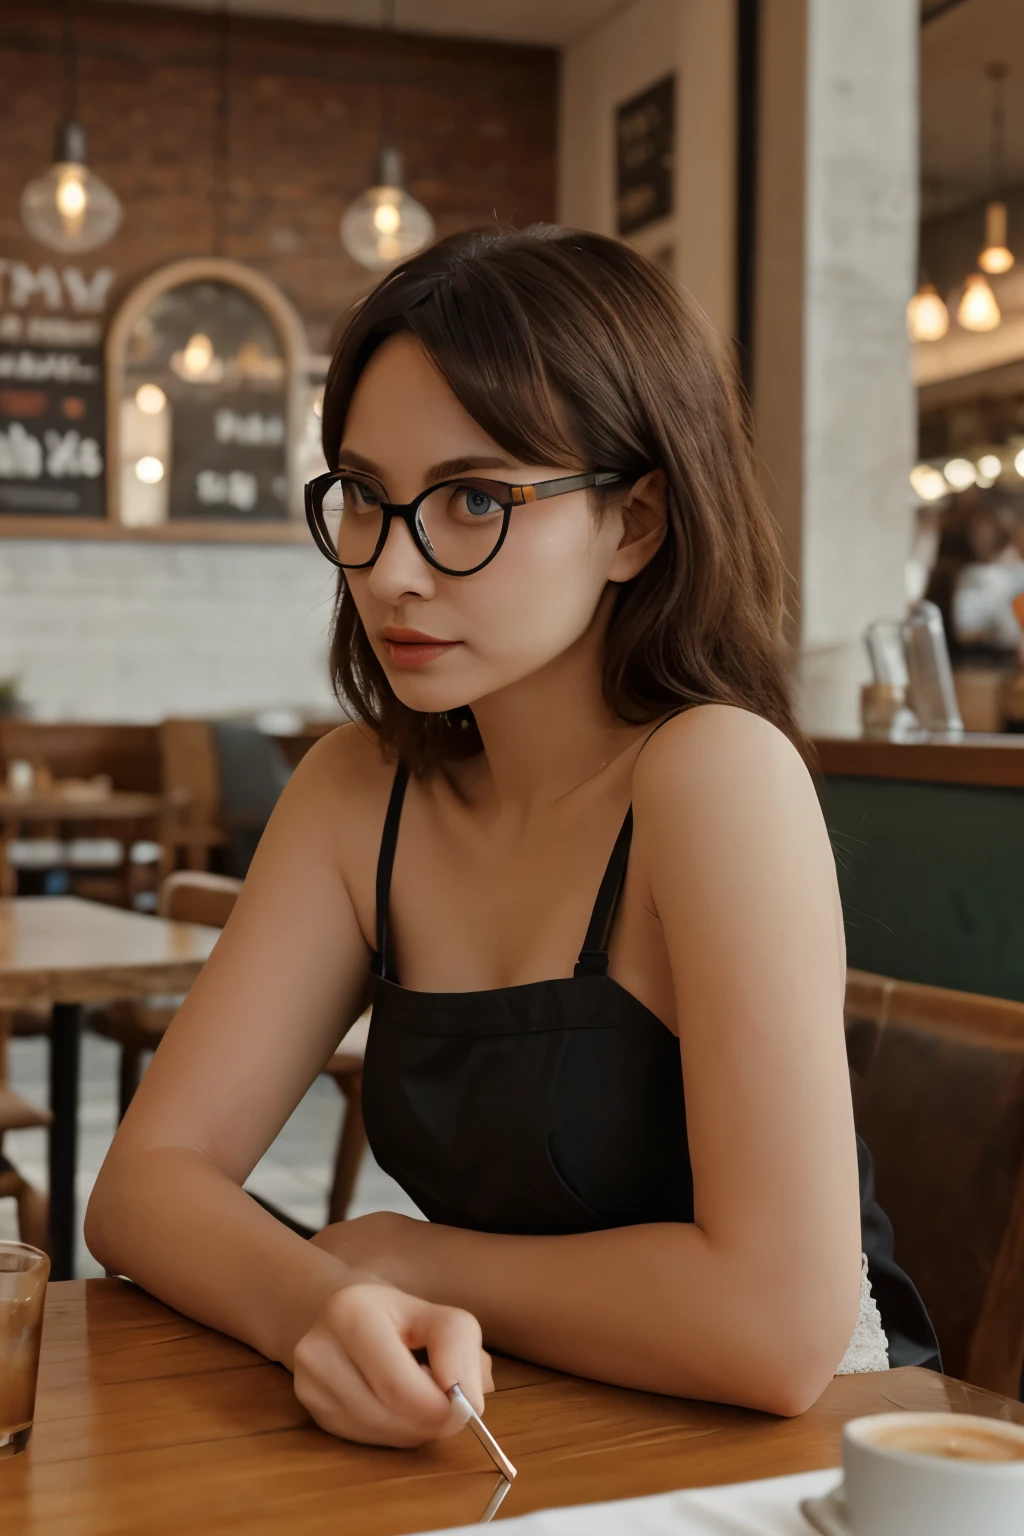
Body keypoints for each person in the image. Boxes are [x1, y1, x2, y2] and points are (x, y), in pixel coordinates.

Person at [86, 227, 938, 1450]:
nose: (391, 571)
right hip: (521, 1419)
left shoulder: (712, 776)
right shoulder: (359, 791)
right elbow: (143, 1186)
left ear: (635, 523)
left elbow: (777, 1327)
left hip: (803, 1452)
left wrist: (403, 1253)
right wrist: (318, 1302)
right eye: (367, 499)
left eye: (475, 500)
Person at [925, 491, 1024, 666]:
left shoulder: (1013, 572)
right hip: (972, 662)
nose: (981, 537)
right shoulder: (971, 574)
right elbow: (965, 629)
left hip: (1002, 662)